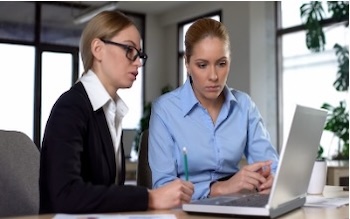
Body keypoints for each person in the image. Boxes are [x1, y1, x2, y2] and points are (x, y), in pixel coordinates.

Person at [39, 11, 194, 214]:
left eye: (140, 54)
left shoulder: (110, 112)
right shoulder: (71, 107)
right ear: (98, 49)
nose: (138, 62)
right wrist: (150, 197)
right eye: (129, 50)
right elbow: (65, 196)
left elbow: (109, 192)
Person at [148, 18, 279, 200]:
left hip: (235, 204)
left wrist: (271, 178)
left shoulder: (244, 105)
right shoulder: (165, 110)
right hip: (185, 212)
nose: (214, 76)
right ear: (187, 63)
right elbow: (163, 187)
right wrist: (221, 188)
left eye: (221, 63)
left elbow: (269, 165)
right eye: (202, 65)